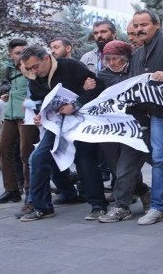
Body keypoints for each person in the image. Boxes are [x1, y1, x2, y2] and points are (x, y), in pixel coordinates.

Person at [17, 45, 106, 222]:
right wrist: (39, 116)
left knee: (85, 159)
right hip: (56, 124)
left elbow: (98, 88)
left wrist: (76, 104)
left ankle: (98, 205)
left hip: (82, 121)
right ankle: (42, 206)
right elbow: (39, 103)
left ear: (46, 59)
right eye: (29, 69)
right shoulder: (34, 79)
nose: (33, 71)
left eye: (36, 66)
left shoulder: (70, 66)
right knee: (38, 157)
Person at [128, 9, 163, 226]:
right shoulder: (138, 54)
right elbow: (134, 83)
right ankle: (158, 206)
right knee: (160, 158)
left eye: (144, 25)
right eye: (136, 25)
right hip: (158, 114)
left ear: (156, 25)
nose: (139, 29)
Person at [96, 40, 152, 222]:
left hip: (137, 127)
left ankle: (121, 206)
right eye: (108, 59)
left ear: (127, 58)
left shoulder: (136, 73)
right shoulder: (102, 76)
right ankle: (144, 191)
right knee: (116, 169)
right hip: (112, 129)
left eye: (117, 59)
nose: (112, 63)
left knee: (126, 167)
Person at [0, 39, 39, 206]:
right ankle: (11, 190)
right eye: (18, 53)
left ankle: (31, 194)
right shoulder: (9, 68)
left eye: (24, 51)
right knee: (3, 150)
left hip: (27, 114)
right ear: (10, 55)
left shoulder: (33, 66)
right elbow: (6, 84)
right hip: (10, 113)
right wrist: (5, 90)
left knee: (26, 154)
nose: (22, 55)